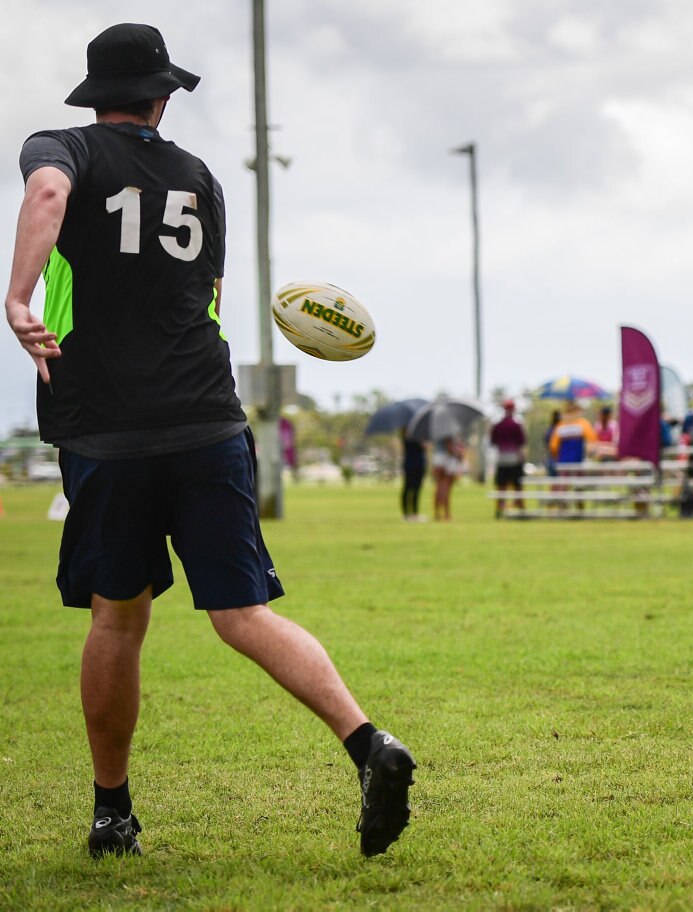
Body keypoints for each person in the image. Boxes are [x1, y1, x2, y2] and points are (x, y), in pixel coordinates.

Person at [4, 24, 414, 857]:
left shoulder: (62, 147)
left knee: (118, 620)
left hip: (109, 431)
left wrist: (18, 299)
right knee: (243, 613)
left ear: (94, 95)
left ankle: (112, 812)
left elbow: (46, 195)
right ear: (163, 96)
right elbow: (209, 295)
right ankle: (370, 743)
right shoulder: (200, 179)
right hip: (209, 422)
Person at [490, 399, 526, 518]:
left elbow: (493, 441)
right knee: (517, 485)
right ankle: (520, 508)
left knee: (501, 486)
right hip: (514, 459)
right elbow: (521, 443)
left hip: (501, 459)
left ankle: (500, 508)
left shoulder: (498, 425)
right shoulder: (516, 425)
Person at [400, 427, 426, 521]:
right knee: (412, 489)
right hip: (414, 465)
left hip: (412, 464)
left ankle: (410, 513)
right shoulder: (413, 435)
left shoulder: (405, 434)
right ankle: (410, 513)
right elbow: (423, 447)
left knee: (411, 489)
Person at [430, 436, 460, 521]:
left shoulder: (437, 431)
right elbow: (449, 446)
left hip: (437, 459)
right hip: (446, 460)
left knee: (439, 487)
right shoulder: (448, 430)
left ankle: (437, 513)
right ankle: (446, 514)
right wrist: (457, 454)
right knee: (446, 488)